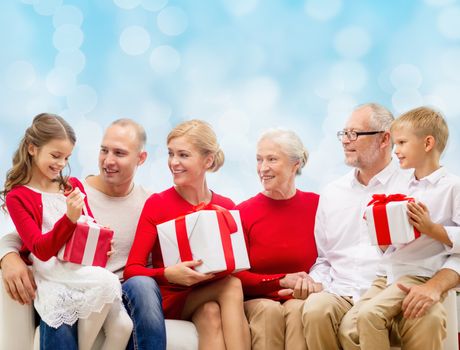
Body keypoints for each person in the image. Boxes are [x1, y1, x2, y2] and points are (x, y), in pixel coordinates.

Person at [300, 103, 459, 350]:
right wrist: (314, 282)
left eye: (354, 133)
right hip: (353, 289)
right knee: (324, 314)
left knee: (423, 318)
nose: (345, 141)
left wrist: (434, 283)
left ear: (384, 139)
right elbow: (326, 258)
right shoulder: (332, 193)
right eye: (343, 133)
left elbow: (441, 247)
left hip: (405, 281)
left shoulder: (412, 183)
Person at [0, 118, 167, 350]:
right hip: (59, 274)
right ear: (32, 148)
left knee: (124, 321)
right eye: (104, 150)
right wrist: (6, 256)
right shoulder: (41, 193)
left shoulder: (149, 201)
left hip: (94, 273)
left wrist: (102, 243)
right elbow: (29, 241)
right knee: (81, 300)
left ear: (141, 159)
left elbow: (90, 226)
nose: (108, 160)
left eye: (119, 153)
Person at [124, 119, 251, 350]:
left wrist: (277, 280)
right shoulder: (158, 204)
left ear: (208, 160)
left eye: (183, 155)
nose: (174, 162)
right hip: (171, 297)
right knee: (230, 286)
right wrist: (168, 274)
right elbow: (132, 269)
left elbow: (239, 269)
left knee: (211, 313)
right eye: (171, 154)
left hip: (206, 297)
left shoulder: (226, 206)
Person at [235, 128, 319, 350]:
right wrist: (281, 280)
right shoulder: (242, 212)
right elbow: (235, 277)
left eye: (272, 159)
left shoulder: (317, 206)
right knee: (268, 311)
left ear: (295, 164)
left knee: (298, 309)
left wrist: (312, 286)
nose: (263, 168)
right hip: (258, 301)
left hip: (300, 298)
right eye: (259, 159)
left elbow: (334, 259)